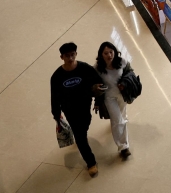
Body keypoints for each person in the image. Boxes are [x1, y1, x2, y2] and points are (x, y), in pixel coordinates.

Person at [50, 42, 104, 178]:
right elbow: (54, 97)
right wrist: (56, 114)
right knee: (79, 135)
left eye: (72, 55)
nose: (70, 58)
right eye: (67, 56)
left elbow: (99, 84)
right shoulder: (56, 77)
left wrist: (98, 101)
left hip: (85, 107)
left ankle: (82, 139)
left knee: (84, 127)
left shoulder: (85, 68)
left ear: (76, 54)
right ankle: (91, 162)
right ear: (61, 57)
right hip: (70, 111)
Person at [95, 42, 133, 161]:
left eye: (111, 52)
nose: (109, 55)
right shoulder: (97, 68)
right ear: (101, 55)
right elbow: (93, 84)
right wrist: (97, 97)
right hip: (109, 98)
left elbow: (130, 72)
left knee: (121, 116)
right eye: (106, 53)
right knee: (118, 120)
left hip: (122, 95)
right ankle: (123, 147)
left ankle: (121, 129)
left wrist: (125, 83)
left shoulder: (122, 62)